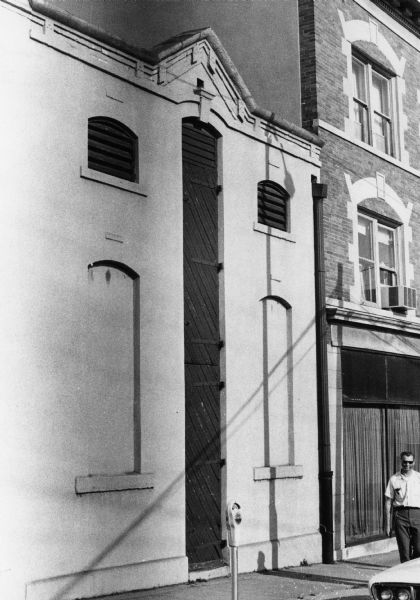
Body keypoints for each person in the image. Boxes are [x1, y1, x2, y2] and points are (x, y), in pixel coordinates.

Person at [385, 451, 420, 562]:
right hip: (400, 515)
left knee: (419, 549)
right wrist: (387, 524)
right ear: (401, 461)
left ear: (414, 462)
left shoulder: (419, 478)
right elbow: (388, 502)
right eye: (405, 462)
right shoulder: (394, 479)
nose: (407, 465)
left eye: (410, 462)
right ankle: (405, 576)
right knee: (404, 551)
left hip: (417, 515)